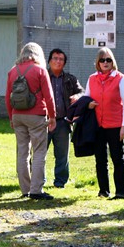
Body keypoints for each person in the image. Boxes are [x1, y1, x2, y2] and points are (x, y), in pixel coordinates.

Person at [6, 42, 57, 200]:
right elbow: (48, 96)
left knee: (22, 152)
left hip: (17, 115)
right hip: (36, 115)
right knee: (39, 151)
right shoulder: (40, 70)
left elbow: (8, 97)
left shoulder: (13, 71)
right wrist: (53, 116)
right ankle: (36, 190)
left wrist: (11, 117)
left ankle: (25, 189)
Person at [84, 48, 124, 200]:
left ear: (113, 62)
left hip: (116, 125)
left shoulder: (120, 78)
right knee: (100, 160)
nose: (105, 63)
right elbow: (86, 98)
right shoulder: (92, 78)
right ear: (98, 62)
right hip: (98, 125)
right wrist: (88, 104)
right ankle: (103, 190)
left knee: (118, 158)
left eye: (108, 60)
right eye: (102, 60)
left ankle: (122, 192)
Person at [46, 48, 84, 188]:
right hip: (44, 121)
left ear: (64, 63)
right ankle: (38, 181)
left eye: (61, 59)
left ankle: (60, 182)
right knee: (39, 153)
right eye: (55, 58)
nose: (58, 61)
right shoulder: (42, 76)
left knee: (62, 155)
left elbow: (82, 92)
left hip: (63, 121)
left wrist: (77, 96)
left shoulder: (70, 79)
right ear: (49, 61)